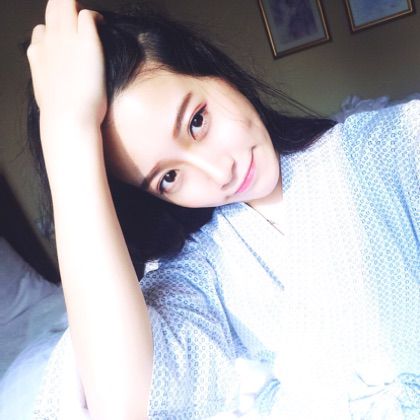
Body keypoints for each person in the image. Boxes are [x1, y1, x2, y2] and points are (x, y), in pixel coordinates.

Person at [2, 0, 419, 418]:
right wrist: (66, 132)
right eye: (169, 177)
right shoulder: (202, 266)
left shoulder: (390, 147)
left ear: (212, 71)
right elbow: (126, 401)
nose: (219, 173)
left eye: (197, 122)